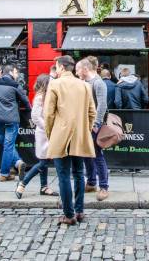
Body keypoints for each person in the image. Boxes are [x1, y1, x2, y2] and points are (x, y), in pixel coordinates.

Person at [45, 55, 96, 225]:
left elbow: (49, 115)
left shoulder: (55, 84)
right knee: (79, 173)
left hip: (61, 136)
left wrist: (51, 135)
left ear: (60, 67)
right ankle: (79, 211)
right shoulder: (85, 85)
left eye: (57, 67)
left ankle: (69, 214)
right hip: (80, 136)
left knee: (64, 175)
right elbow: (92, 113)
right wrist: (84, 130)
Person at [15, 74, 59, 199]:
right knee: (43, 162)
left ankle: (44, 187)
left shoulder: (46, 96)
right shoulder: (40, 97)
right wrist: (48, 128)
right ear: (46, 83)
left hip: (47, 132)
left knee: (43, 161)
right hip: (44, 133)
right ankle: (23, 182)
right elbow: (35, 117)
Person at [76, 57, 110, 202]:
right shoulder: (83, 82)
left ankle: (103, 187)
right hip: (83, 125)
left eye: (78, 69)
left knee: (97, 155)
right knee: (86, 155)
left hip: (94, 126)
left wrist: (95, 124)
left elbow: (102, 105)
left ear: (85, 69)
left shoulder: (98, 83)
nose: (76, 72)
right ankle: (91, 183)